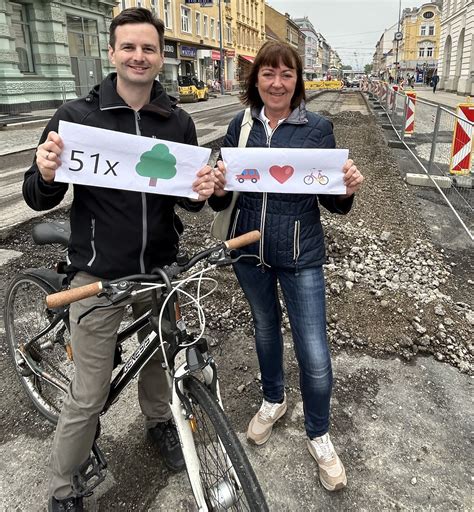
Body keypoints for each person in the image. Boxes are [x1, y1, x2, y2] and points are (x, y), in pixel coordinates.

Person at [22, 8, 215, 512]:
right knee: (88, 394)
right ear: (113, 53)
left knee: (160, 364)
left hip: (160, 271)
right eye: (129, 47)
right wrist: (43, 172)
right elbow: (37, 197)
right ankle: (63, 488)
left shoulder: (177, 121)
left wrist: (203, 189)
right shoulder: (76, 116)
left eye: (148, 48)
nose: (138, 56)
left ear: (159, 59)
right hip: (97, 275)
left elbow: (188, 199)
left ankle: (158, 425)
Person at [209, 40, 363, 492]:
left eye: (286, 74)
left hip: (302, 254)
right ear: (255, 79)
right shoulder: (240, 125)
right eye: (268, 74)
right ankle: (272, 400)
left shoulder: (318, 127)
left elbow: (334, 203)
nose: (276, 83)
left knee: (314, 354)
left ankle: (319, 433)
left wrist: (347, 187)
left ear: (297, 81)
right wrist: (217, 186)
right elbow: (224, 196)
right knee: (264, 330)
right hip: (248, 252)